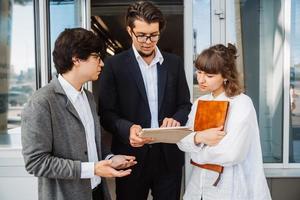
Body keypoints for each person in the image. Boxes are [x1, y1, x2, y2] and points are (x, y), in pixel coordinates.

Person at [21, 28, 137, 200]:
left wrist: (110, 158)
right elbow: (36, 163)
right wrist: (93, 169)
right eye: (97, 57)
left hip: (97, 192)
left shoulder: (88, 97)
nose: (102, 64)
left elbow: (91, 143)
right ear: (76, 59)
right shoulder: (42, 102)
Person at [98, 1, 192, 199]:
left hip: (168, 158)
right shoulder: (114, 65)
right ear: (129, 31)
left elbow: (185, 104)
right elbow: (106, 113)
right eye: (141, 35)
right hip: (130, 156)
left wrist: (176, 119)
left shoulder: (174, 63)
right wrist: (127, 128)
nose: (148, 41)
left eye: (153, 35)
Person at [177, 43, 272, 200]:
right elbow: (182, 141)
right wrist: (199, 137)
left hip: (230, 188)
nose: (201, 79)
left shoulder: (241, 103)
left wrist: (196, 155)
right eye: (199, 72)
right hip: (197, 187)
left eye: (209, 75)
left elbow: (231, 153)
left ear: (226, 75)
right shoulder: (200, 102)